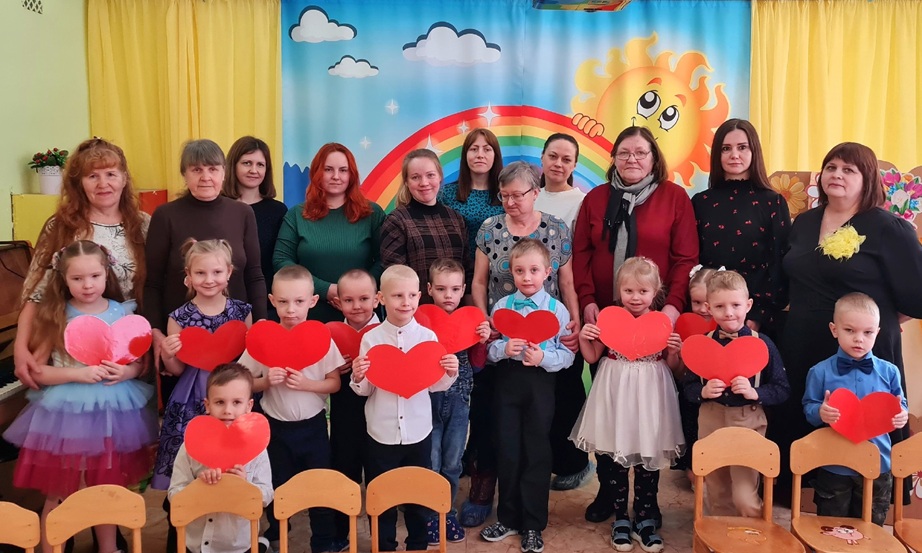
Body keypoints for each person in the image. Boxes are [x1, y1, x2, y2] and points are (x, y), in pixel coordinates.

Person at [777, 142, 922, 496]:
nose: (837, 175)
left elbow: (917, 296)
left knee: (863, 441)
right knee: (809, 424)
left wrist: (873, 326)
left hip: (861, 353)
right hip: (803, 345)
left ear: (867, 178)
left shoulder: (889, 228)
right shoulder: (805, 222)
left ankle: (867, 507)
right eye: (831, 167)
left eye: (848, 169)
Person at [572, 126, 698, 523]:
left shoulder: (674, 197)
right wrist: (589, 302)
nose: (632, 159)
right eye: (624, 152)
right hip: (608, 322)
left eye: (641, 152)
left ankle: (647, 501)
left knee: (645, 415)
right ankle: (610, 494)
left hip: (655, 321)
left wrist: (672, 308)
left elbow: (685, 258)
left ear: (654, 158)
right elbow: (581, 253)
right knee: (611, 413)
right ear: (614, 158)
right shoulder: (596, 199)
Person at [3, 240, 156, 553]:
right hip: (67, 417)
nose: (87, 285)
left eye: (94, 276)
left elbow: (138, 363)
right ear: (64, 278)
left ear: (106, 274)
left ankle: (109, 548)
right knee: (60, 490)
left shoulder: (121, 312)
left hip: (112, 414)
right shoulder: (57, 315)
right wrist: (79, 374)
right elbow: (39, 372)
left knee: (106, 487)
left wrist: (125, 372)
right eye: (77, 278)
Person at [464, 160, 579, 527]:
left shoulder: (556, 228)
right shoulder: (489, 228)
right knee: (500, 427)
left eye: (517, 195)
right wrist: (487, 322)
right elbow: (479, 281)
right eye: (504, 196)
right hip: (501, 333)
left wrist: (574, 321)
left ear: (535, 193)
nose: (511, 202)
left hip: (546, 343)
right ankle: (494, 496)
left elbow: (567, 282)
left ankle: (534, 514)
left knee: (539, 433)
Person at [15, 138, 149, 391]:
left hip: (127, 348)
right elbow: (36, 292)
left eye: (111, 174)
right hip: (73, 350)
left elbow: (154, 288)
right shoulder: (61, 226)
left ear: (124, 179)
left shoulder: (143, 224)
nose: (103, 184)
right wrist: (21, 348)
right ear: (79, 183)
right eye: (92, 176)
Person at [570, 257, 684, 553]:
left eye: (643, 291)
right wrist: (584, 337)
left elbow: (673, 368)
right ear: (618, 290)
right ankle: (620, 517)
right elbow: (592, 356)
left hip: (650, 395)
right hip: (615, 392)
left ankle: (645, 517)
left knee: (648, 457)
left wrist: (675, 352)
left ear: (656, 291)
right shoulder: (609, 319)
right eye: (629, 291)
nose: (635, 297)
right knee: (616, 459)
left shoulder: (661, 323)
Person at [144, 139, 266, 405]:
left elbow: (255, 274)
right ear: (184, 174)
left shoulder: (242, 213)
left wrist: (260, 325)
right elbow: (152, 282)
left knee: (234, 411)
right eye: (196, 170)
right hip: (183, 344)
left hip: (237, 337)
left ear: (224, 172)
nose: (205, 177)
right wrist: (157, 334)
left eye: (212, 169)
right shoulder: (165, 215)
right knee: (189, 414)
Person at [152, 239, 254, 553]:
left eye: (217, 272)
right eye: (200, 273)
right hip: (192, 400)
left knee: (230, 464)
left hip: (231, 399)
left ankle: (230, 535)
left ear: (229, 272)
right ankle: (180, 534)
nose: (209, 279)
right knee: (189, 466)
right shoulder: (179, 316)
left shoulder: (241, 311)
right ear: (188, 276)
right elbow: (177, 369)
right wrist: (168, 353)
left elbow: (246, 362)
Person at [350, 264, 459, 552]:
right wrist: (358, 377)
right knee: (381, 496)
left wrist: (450, 372)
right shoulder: (371, 339)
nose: (406, 302)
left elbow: (434, 386)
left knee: (417, 496)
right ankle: (383, 545)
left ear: (420, 296)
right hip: (381, 432)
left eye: (411, 295)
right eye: (397, 295)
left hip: (418, 431)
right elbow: (366, 389)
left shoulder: (427, 338)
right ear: (381, 299)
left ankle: (418, 544)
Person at [237, 264, 345, 553]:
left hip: (313, 427)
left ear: (313, 301)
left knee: (319, 486)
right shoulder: (263, 339)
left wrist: (308, 384)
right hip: (275, 428)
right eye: (283, 302)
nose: (291, 309)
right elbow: (242, 381)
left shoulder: (321, 338)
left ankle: (323, 541)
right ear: (272, 301)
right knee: (276, 484)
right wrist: (264, 381)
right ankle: (276, 536)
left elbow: (334, 383)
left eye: (299, 301)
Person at [479, 239, 575, 553]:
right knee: (507, 448)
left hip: (540, 386)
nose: (527, 277)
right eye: (520, 271)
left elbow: (567, 355)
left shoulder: (557, 310)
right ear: (511, 271)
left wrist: (544, 358)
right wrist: (502, 349)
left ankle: (533, 523)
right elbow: (489, 350)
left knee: (536, 452)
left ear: (547, 272)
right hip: (507, 384)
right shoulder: (502, 307)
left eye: (534, 270)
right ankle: (508, 517)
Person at [681, 270, 790, 517]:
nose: (729, 312)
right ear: (708, 308)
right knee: (717, 491)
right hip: (711, 420)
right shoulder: (703, 343)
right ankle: (721, 534)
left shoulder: (763, 344)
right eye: (720, 306)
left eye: (736, 305)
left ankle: (752, 533)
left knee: (744, 495)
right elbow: (687, 388)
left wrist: (755, 392)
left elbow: (782, 389)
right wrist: (703, 391)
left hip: (747, 421)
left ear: (748, 305)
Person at [803, 292, 909, 525]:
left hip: (877, 464)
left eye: (867, 332)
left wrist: (901, 415)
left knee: (871, 527)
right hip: (834, 464)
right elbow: (809, 408)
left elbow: (899, 404)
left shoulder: (890, 371)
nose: (859, 339)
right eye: (850, 330)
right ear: (834, 330)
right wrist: (820, 412)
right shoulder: (820, 371)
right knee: (831, 527)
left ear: (877, 333)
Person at [691, 119, 790, 336]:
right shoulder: (701, 201)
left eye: (742, 147)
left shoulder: (773, 202)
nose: (734, 155)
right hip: (708, 314)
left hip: (756, 318)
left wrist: (757, 315)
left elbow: (779, 263)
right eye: (726, 149)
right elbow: (694, 259)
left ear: (754, 151)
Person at [534, 132, 593, 491]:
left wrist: (576, 315)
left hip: (565, 308)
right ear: (542, 158)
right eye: (553, 156)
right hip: (526, 310)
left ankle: (575, 462)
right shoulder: (528, 195)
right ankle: (540, 461)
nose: (558, 164)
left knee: (568, 387)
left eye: (566, 159)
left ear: (574, 165)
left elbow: (582, 257)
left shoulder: (582, 203)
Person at [273, 143, 385, 323]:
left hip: (360, 314)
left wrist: (355, 292)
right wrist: (325, 289)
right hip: (307, 314)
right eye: (328, 169)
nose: (336, 176)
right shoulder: (297, 215)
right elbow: (281, 261)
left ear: (351, 175)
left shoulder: (372, 213)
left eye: (343, 170)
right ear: (317, 173)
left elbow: (385, 260)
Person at [168, 363, 273, 553]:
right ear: (207, 405)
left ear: (249, 406)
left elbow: (266, 495)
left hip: (238, 545)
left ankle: (260, 545)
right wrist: (199, 488)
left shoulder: (257, 449)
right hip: (196, 543)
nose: (227, 410)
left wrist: (245, 486)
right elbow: (174, 494)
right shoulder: (191, 445)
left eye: (236, 402)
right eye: (219, 402)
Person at [425, 258, 491, 545]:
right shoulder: (421, 321)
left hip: (460, 401)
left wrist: (482, 341)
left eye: (454, 289)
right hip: (426, 401)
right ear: (429, 289)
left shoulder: (469, 320)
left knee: (452, 461)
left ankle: (446, 512)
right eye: (441, 289)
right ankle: (429, 513)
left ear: (463, 289)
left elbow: (476, 366)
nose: (448, 295)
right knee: (431, 460)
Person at [329, 269, 380, 546]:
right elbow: (320, 371)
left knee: (377, 477)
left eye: (364, 299)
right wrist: (333, 369)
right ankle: (340, 534)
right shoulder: (330, 333)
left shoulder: (386, 332)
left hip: (379, 417)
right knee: (343, 472)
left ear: (377, 299)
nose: (357, 306)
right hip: (344, 415)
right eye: (349, 300)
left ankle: (379, 537)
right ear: (338, 302)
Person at [380, 149, 471, 304]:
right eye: (415, 177)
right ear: (407, 182)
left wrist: (470, 312)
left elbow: (467, 270)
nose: (424, 183)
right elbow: (395, 277)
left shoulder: (456, 219)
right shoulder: (396, 221)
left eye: (430, 175)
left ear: (440, 176)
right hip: (415, 312)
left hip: (456, 312)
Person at [223, 136, 288, 320]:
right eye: (247, 163)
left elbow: (278, 262)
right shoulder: (217, 207)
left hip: (266, 305)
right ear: (233, 165)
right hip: (222, 303)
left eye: (260, 165)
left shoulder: (278, 210)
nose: (254, 170)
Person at [673, 265, 721, 485]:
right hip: (691, 394)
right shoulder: (684, 325)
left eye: (708, 303)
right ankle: (692, 469)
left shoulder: (728, 327)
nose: (703, 309)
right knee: (692, 426)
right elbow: (678, 374)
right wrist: (681, 354)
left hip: (720, 398)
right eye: (697, 302)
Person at [439, 128, 506, 256]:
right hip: (455, 265)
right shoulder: (446, 194)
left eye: (487, 149)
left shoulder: (507, 195)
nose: (480, 155)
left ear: (495, 155)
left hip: (497, 265)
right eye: (474, 149)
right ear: (465, 155)